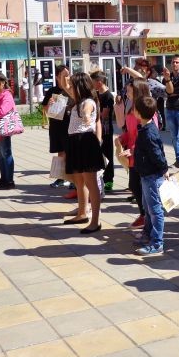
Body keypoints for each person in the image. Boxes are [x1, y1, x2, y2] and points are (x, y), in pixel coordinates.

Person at [63, 72, 104, 233]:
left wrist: (87, 116)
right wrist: (65, 76)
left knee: (90, 183)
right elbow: (65, 86)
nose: (70, 88)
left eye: (73, 86)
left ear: (79, 87)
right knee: (79, 182)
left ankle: (95, 221)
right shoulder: (78, 100)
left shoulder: (88, 102)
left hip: (85, 142)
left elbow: (87, 111)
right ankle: (82, 213)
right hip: (76, 142)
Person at [133, 95, 169, 256]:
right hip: (146, 174)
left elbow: (157, 154)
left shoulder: (148, 132)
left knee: (155, 210)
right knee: (148, 208)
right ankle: (148, 234)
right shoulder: (146, 128)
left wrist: (164, 168)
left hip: (152, 176)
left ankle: (157, 243)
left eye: (134, 109)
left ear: (138, 113)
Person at [117, 79, 154, 229]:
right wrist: (121, 139)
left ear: (137, 91)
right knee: (134, 185)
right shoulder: (131, 109)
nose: (126, 93)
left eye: (129, 91)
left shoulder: (146, 109)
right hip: (133, 155)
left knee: (143, 187)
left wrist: (132, 149)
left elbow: (148, 135)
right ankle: (143, 215)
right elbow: (130, 132)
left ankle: (149, 218)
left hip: (143, 156)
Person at [42, 65, 74, 193]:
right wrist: (49, 105)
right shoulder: (52, 90)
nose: (66, 78)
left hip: (70, 126)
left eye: (68, 75)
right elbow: (45, 108)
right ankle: (61, 177)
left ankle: (73, 179)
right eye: (63, 75)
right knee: (60, 152)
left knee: (71, 152)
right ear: (57, 77)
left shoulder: (72, 90)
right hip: (56, 126)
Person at [162, 56, 179, 168]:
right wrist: (170, 91)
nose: (174, 64)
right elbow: (166, 92)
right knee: (174, 136)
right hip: (169, 109)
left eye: (177, 62)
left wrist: (171, 91)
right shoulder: (167, 77)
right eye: (173, 62)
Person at [90, 70, 115, 192]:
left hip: (106, 131)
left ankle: (109, 179)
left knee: (108, 154)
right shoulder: (95, 94)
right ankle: (99, 178)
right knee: (98, 155)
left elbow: (104, 114)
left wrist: (91, 113)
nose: (92, 84)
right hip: (96, 129)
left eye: (93, 82)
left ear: (99, 82)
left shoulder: (108, 96)